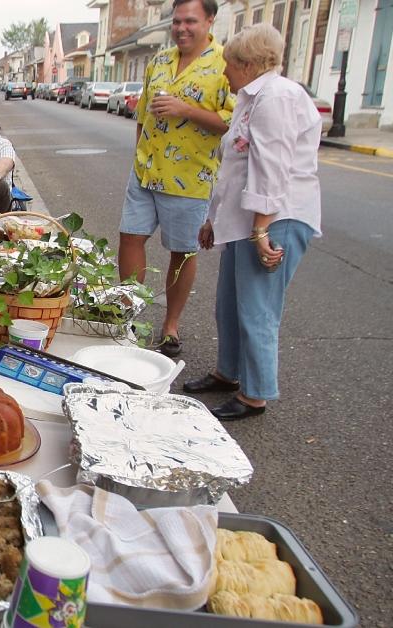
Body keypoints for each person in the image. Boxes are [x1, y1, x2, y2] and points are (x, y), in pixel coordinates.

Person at [183, 24, 321, 420]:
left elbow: (270, 170)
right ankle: (228, 372)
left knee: (257, 309)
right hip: (246, 221)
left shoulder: (277, 98)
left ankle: (255, 394)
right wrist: (213, 219)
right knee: (229, 303)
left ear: (246, 64)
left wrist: (261, 231)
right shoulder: (252, 98)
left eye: (227, 64)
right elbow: (234, 167)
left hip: (274, 220)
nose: (223, 72)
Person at [119, 0, 234, 358]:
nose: (182, 28)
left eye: (191, 21)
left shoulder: (224, 64)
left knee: (182, 252)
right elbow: (142, 116)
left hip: (190, 177)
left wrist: (186, 110)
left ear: (209, 21)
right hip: (146, 170)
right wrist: (139, 153)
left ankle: (170, 325)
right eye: (177, 21)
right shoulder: (159, 61)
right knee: (130, 237)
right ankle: (128, 315)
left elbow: (231, 121)